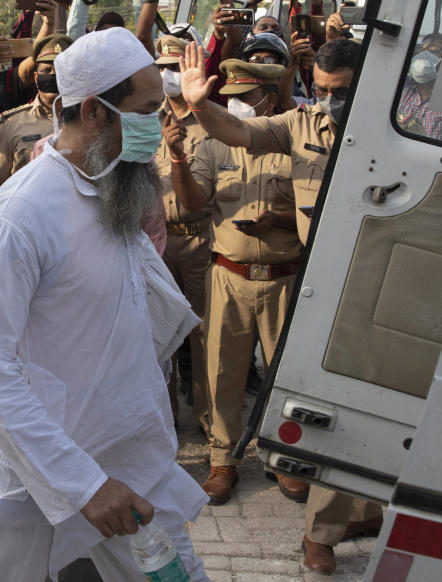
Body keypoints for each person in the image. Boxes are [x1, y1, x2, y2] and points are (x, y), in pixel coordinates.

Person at [0, 28, 210, 582]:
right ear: (94, 111)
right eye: (143, 112)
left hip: (130, 458)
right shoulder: (23, 214)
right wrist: (82, 484)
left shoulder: (111, 190)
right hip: (52, 467)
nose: (155, 128)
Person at [180, 37, 382, 575]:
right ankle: (317, 524)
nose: (327, 102)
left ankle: (342, 510)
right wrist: (200, 105)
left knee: (336, 398)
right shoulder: (300, 125)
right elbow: (240, 132)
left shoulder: (386, 129)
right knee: (267, 382)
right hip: (313, 278)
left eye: (338, 93)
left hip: (365, 280)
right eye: (319, 90)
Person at [171, 58, 309, 507]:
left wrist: (280, 219)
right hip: (228, 276)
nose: (235, 106)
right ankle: (222, 461)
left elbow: (323, 209)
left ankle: (284, 460)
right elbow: (193, 206)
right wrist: (177, 161)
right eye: (230, 98)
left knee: (284, 377)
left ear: (269, 99)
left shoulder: (297, 144)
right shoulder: (213, 145)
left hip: (283, 279)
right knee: (222, 373)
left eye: (245, 98)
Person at [151, 34, 213, 433]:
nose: (168, 76)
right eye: (163, 69)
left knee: (206, 335)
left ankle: (212, 421)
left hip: (201, 239)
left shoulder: (211, 119)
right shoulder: (144, 118)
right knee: (160, 335)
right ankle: (166, 419)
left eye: (175, 68)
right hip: (157, 242)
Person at [0, 33, 72, 199]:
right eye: (47, 70)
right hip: (26, 219)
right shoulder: (12, 123)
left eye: (61, 69)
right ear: (36, 78)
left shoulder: (89, 120)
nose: (53, 75)